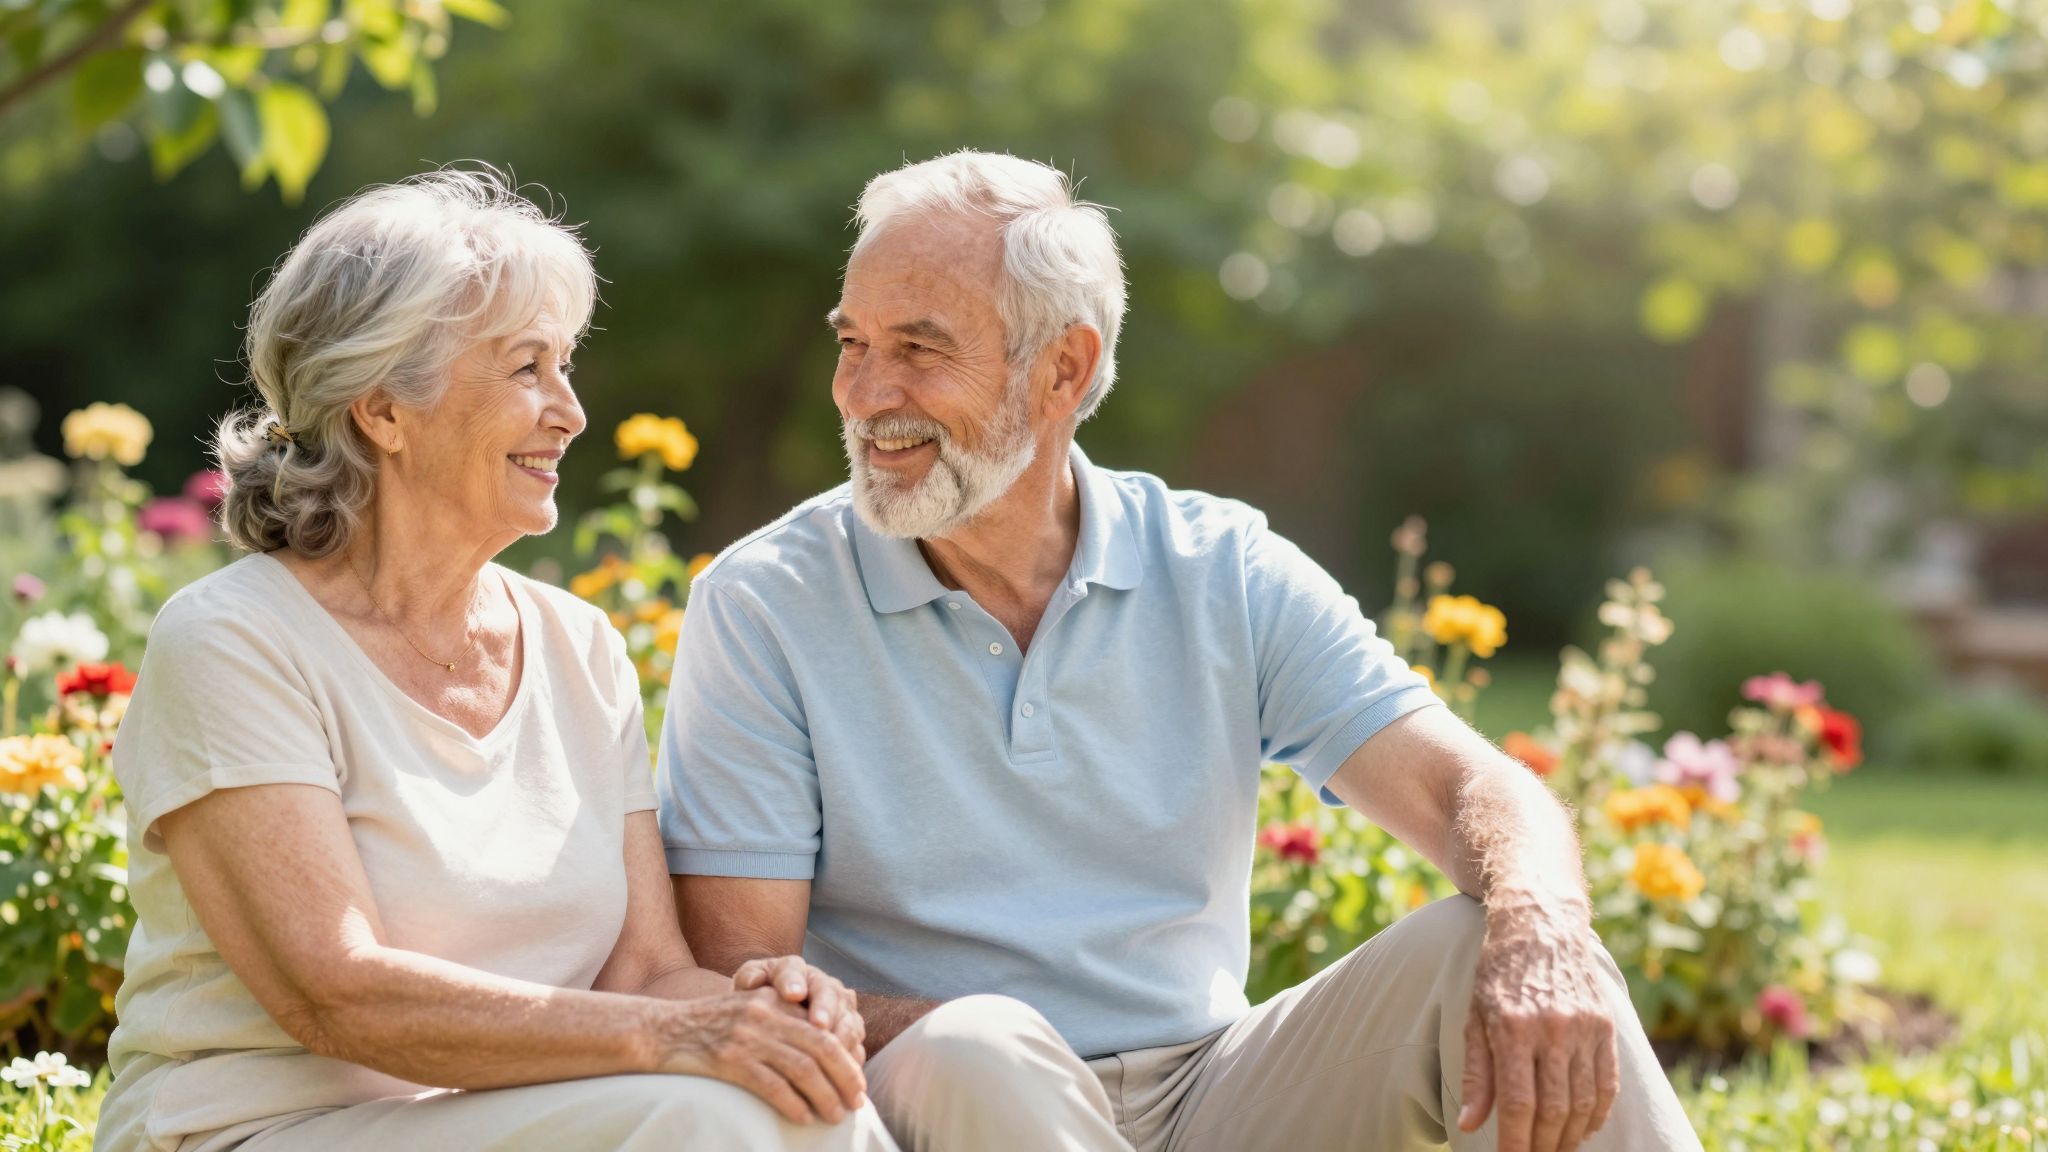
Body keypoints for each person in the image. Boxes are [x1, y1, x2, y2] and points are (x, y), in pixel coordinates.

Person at [659, 151, 1703, 1152]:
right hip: (938, 1094)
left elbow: (1460, 784)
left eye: (919, 348)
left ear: (1061, 368)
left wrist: (1539, 922)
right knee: (982, 1047)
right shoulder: (765, 603)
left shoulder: (1219, 566)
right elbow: (746, 973)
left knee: (1497, 941)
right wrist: (974, 1034)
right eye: (853, 343)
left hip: (1216, 1089)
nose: (863, 392)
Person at [96, 169, 897, 1152]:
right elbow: (339, 995)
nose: (570, 412)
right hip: (260, 1128)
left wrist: (762, 1005)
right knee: (717, 1108)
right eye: (526, 370)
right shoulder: (231, 642)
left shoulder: (578, 645)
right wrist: (682, 1036)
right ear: (383, 410)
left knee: (791, 1093)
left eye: (564, 368)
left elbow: (647, 974)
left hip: (515, 1121)